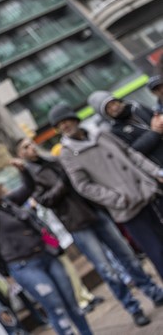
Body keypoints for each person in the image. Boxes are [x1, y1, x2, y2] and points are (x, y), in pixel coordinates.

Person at [14, 137, 163, 326]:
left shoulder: (56, 159)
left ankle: (153, 292)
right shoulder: (30, 175)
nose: (31, 148)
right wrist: (63, 182)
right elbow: (46, 200)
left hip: (95, 212)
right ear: (20, 154)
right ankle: (133, 308)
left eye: (31, 144)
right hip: (77, 222)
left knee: (128, 256)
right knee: (107, 269)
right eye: (25, 147)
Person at [48, 103, 163, 282]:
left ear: (74, 119)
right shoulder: (68, 153)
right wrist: (117, 199)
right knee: (157, 252)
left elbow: (130, 154)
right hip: (127, 207)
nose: (64, 126)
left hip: (146, 192)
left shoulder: (101, 133)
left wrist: (156, 172)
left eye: (66, 121)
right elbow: (83, 186)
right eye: (59, 125)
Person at [0, 171, 93, 335]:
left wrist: (22, 170)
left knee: (71, 301)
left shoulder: (9, 202)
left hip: (47, 256)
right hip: (25, 266)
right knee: (55, 306)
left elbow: (29, 187)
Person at [88, 90, 163, 166]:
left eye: (113, 103)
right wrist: (154, 132)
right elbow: (133, 151)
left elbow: (156, 115)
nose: (114, 107)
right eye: (108, 108)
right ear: (106, 114)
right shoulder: (115, 131)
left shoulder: (136, 106)